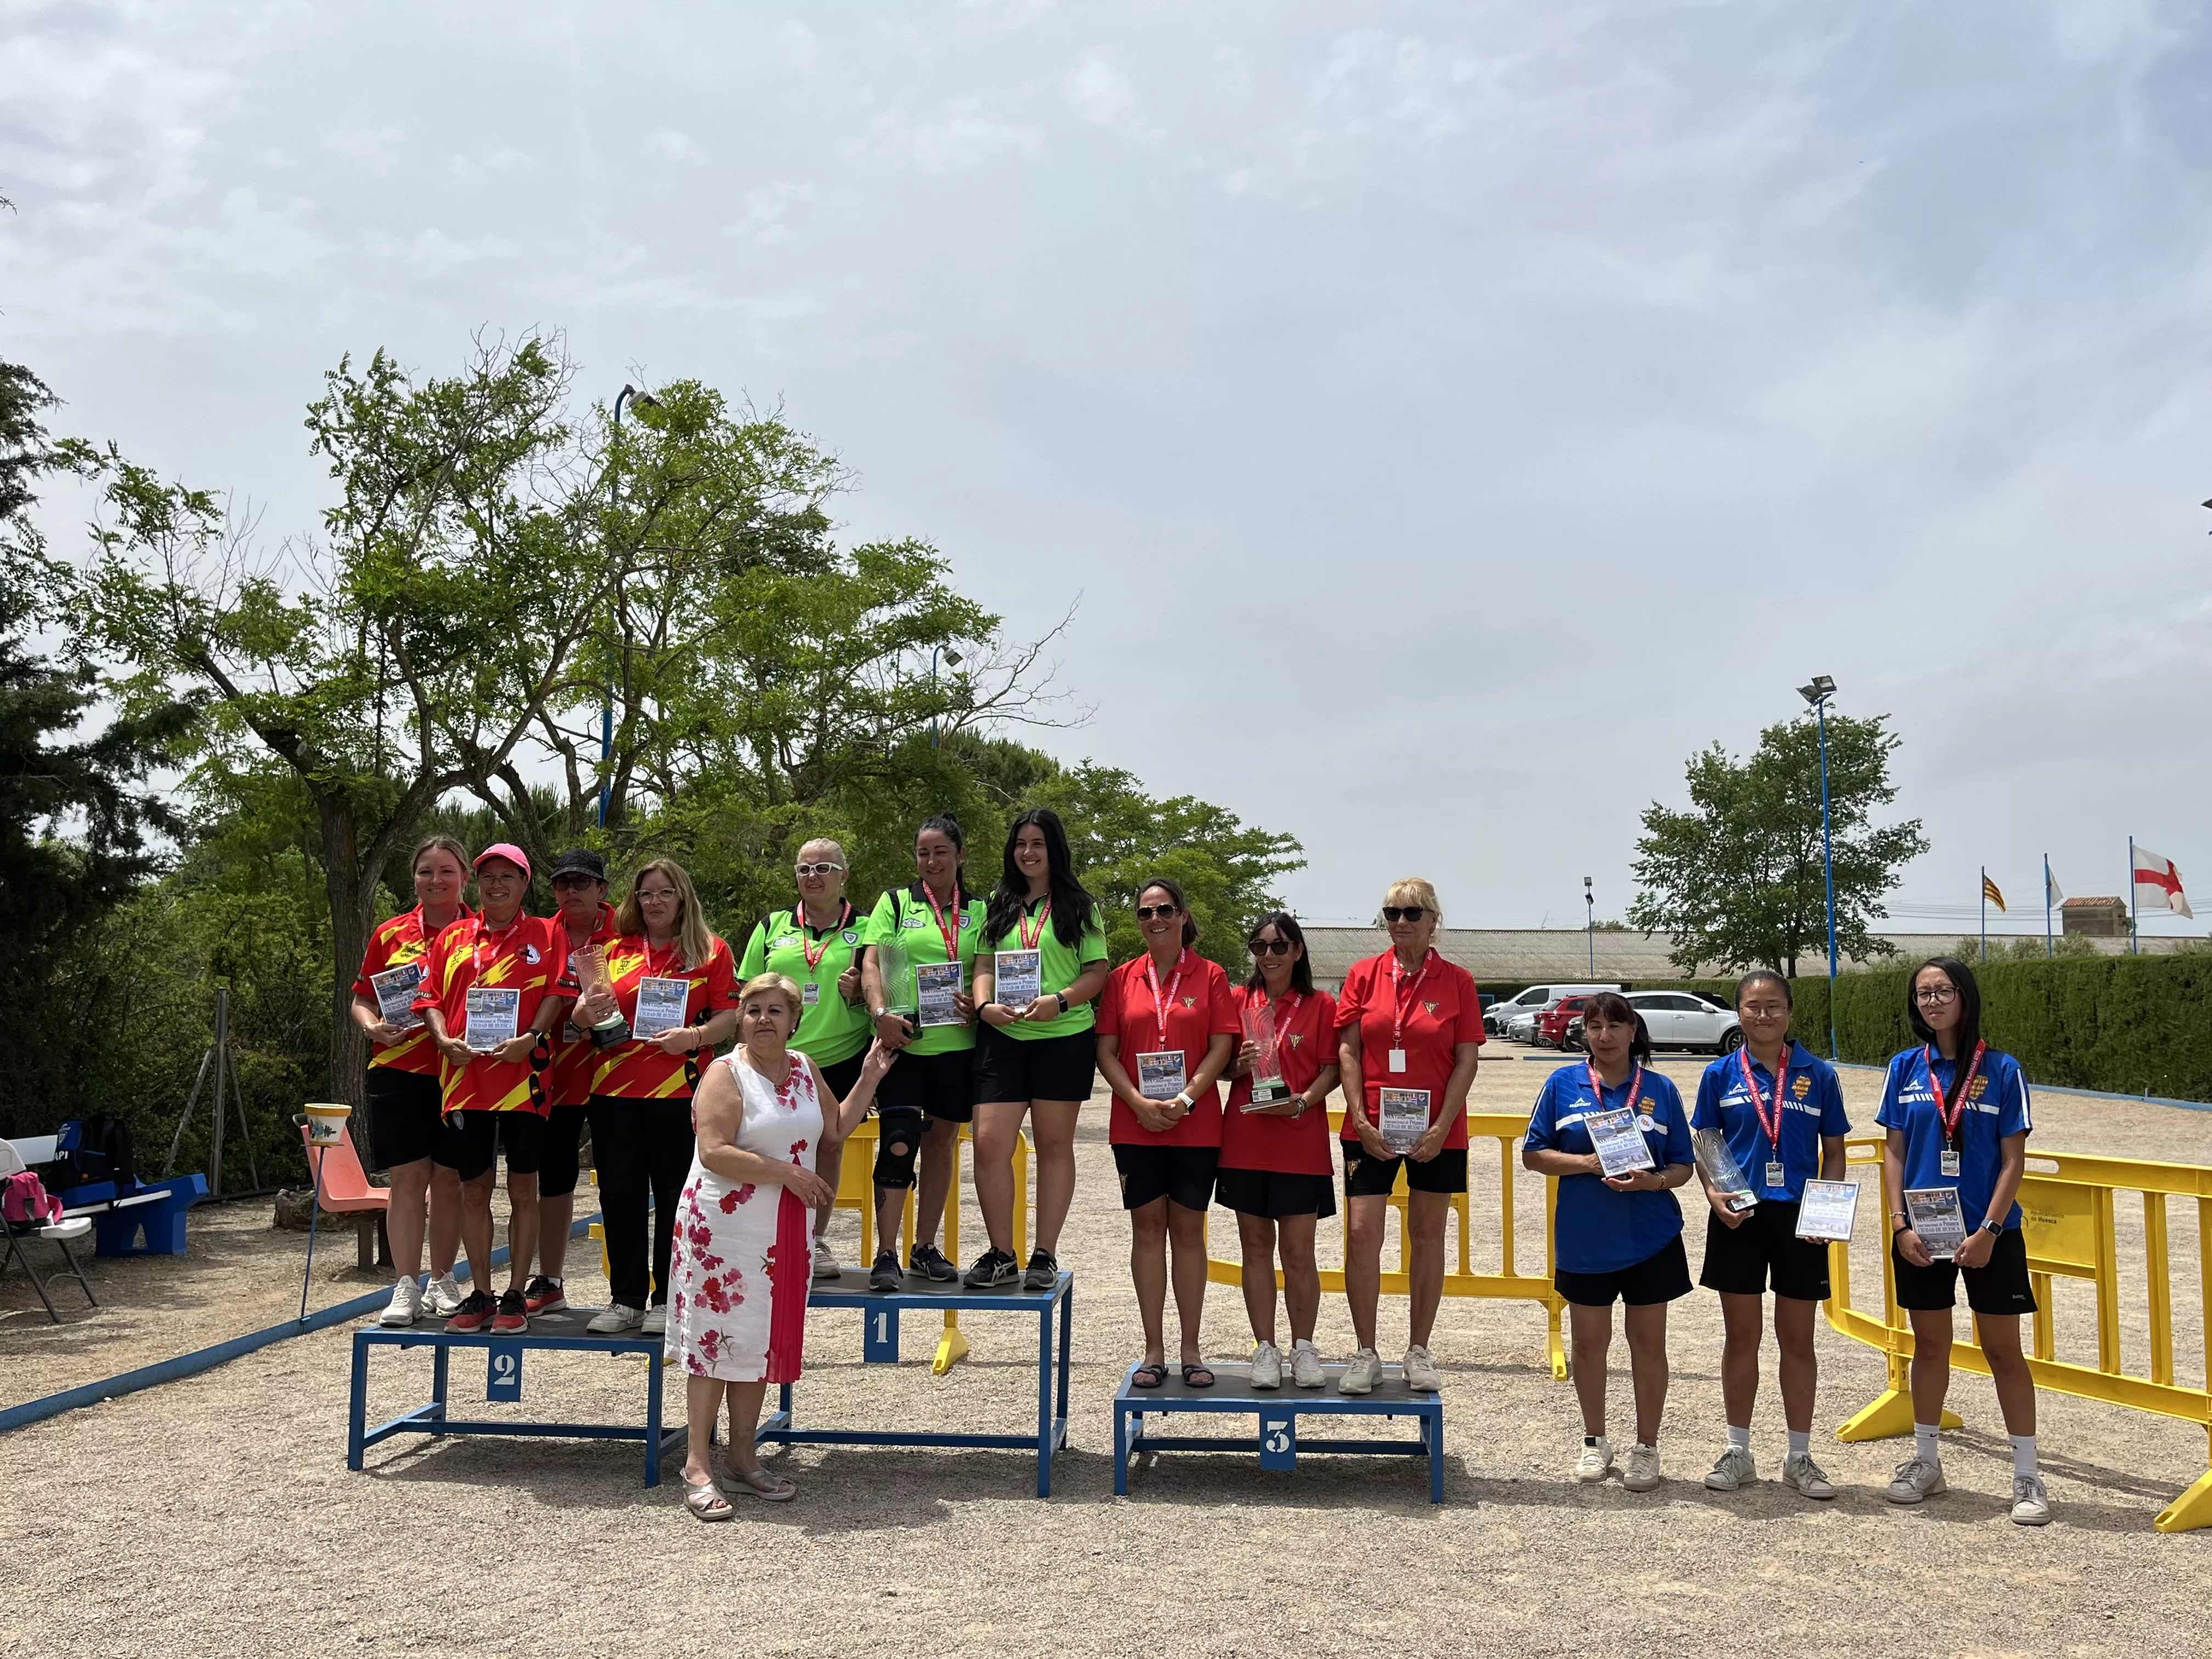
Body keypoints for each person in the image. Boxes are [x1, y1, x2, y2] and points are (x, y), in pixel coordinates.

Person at [668, 975, 892, 1517]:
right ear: (740, 1019)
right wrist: (786, 1173)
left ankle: (744, 1460)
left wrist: (867, 1077)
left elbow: (834, 1130)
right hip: (723, 1226)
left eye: (775, 1010)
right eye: (753, 1010)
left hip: (782, 1229)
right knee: (717, 1344)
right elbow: (715, 1150)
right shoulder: (726, 1073)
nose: (764, 1019)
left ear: (794, 1019)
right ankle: (697, 1464)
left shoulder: (804, 1069)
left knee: (760, 1344)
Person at [1878, 956, 2049, 1525]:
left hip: (1990, 1233)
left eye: (1943, 991)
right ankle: (1927, 1463)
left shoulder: (2002, 1070)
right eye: (1923, 993)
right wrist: (1900, 1223)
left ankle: (2027, 1475)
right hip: (1923, 1232)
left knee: (2003, 1352)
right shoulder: (1905, 1068)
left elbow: (2013, 1159)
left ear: (1965, 997)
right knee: (1929, 1347)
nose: (1932, 1001)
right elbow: (1895, 1152)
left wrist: (1991, 1232)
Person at [1522, 993, 1695, 1492]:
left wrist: (1654, 1182)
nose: (1605, 1035)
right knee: (1590, 1344)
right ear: (1585, 1033)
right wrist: (1587, 1164)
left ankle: (1647, 1447)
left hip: (1651, 1235)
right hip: (1585, 1237)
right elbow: (1534, 1154)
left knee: (1647, 1343)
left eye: (1615, 1025)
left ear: (1634, 1031)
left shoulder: (1660, 1089)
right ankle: (1595, 1441)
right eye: (1595, 1026)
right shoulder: (1562, 1084)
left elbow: (1683, 1165)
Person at [1691, 970, 1849, 1499]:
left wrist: (1826, 1214)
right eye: (1754, 1007)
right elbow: (1708, 1141)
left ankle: (1799, 1456)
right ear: (1739, 1012)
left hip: (1800, 1219)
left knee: (1798, 1339)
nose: (1764, 1015)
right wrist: (1715, 1196)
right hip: (1740, 1213)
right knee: (1742, 1336)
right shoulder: (1719, 1074)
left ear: (1789, 1012)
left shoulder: (1818, 1074)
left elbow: (1835, 1151)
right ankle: (1738, 1450)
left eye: (1774, 1006)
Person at [413, 843, 577, 1335]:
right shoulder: (453, 937)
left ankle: (515, 1295)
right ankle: (481, 1292)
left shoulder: (549, 933)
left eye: (508, 876)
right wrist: (442, 1038)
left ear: (525, 883)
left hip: (525, 1078)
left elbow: (557, 992)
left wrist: (530, 1038)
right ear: (475, 883)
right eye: (488, 877)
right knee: (473, 1188)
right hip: (467, 1079)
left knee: (524, 1186)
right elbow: (430, 998)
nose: (497, 885)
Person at [575, 858, 740, 1335]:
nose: (655, 902)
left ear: (683, 897)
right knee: (620, 1194)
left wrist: (692, 1038)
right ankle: (625, 1298)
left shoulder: (710, 950)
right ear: (635, 900)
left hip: (682, 1091)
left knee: (676, 1197)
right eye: (647, 894)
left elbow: (729, 1018)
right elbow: (584, 1019)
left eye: (665, 893)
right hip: (613, 1090)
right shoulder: (609, 949)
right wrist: (583, 1013)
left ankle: (669, 1299)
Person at [1334, 879, 1482, 1394]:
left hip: (1437, 1130)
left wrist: (1442, 1126)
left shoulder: (1457, 980)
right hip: (1371, 1125)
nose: (1400, 922)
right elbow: (1348, 1050)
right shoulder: (1362, 974)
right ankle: (1365, 1351)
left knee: (1427, 1236)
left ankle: (1419, 1349)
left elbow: (1467, 1058)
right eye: (1391, 913)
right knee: (1361, 1234)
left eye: (1411, 913)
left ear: (1433, 919)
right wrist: (1358, 1115)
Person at [1096, 878, 1239, 1387]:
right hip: (1135, 1123)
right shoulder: (1121, 978)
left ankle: (1192, 1349)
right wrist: (1137, 1102)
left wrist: (1184, 1099)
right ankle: (1153, 1349)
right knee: (1148, 1230)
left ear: (1182, 915)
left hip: (1194, 1123)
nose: (1154, 918)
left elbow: (1221, 1047)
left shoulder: (1212, 975)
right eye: (1145, 912)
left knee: (1188, 1232)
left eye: (1164, 909)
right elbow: (1106, 1051)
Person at [966, 809, 1110, 1290]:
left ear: (1055, 850)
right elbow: (983, 964)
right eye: (1020, 844)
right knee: (989, 1145)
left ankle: (1044, 1253)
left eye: (1038, 845)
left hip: (1063, 1037)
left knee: (1053, 1146)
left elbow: (1096, 973)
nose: (1027, 853)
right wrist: (984, 1005)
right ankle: (1002, 1253)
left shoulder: (1080, 905)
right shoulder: (998, 902)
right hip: (1002, 1036)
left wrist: (1061, 1000)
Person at [352, 834, 472, 1327]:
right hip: (399, 1070)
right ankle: (405, 1285)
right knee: (407, 1181)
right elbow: (361, 999)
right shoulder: (390, 934)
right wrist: (371, 1026)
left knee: (450, 1182)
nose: (436, 880)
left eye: (447, 870)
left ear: (465, 877)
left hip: (463, 1074)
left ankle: (443, 1279)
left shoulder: (483, 934)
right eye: (426, 871)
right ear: (413, 878)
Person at [738, 838, 870, 1281]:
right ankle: (763, 1236)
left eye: (824, 868)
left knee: (829, 1145)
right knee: (766, 1144)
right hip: (775, 1058)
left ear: (843, 875)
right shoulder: (772, 925)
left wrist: (864, 994)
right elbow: (745, 994)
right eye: (804, 869)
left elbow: (889, 996)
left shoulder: (869, 929)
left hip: (839, 1057)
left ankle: (814, 1238)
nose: (813, 876)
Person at [860, 815, 982, 1290]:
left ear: (960, 855)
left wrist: (981, 1002)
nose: (931, 861)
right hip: (904, 1039)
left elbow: (986, 969)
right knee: (898, 1142)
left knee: (941, 1146)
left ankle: (924, 1247)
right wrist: (879, 1013)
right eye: (923, 853)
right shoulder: (894, 902)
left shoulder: (981, 908)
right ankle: (885, 1253)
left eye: (941, 852)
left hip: (959, 1045)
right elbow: (872, 961)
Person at [1221, 911, 1341, 1389]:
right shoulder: (1235, 1000)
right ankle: (1265, 1348)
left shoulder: (1321, 1005)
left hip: (1299, 1139)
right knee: (1254, 1248)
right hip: (1245, 1140)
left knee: (1298, 1253)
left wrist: (1304, 1103)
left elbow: (1332, 1068)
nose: (1268, 955)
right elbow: (1221, 1067)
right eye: (1259, 946)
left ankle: (1304, 1347)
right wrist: (1236, 1064)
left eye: (1279, 946)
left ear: (1298, 951)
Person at [528, 848, 620, 1317]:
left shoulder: (629, 930)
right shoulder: (541, 934)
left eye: (581, 883)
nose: (571, 891)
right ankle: (550, 1280)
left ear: (602, 890)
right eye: (562, 883)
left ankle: (636, 1295)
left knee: (623, 1182)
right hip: (558, 1076)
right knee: (556, 1178)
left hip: (619, 1074)